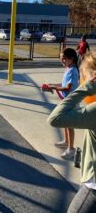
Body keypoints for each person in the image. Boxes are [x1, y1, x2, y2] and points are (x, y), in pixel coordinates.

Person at [47, 52, 96, 212]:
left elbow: (55, 119)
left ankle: (70, 146)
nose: (82, 81)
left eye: (84, 77)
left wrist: (85, 89)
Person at [46, 48, 79, 160]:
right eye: (61, 59)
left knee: (69, 125)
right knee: (65, 122)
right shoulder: (68, 69)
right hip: (66, 101)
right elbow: (63, 83)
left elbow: (67, 87)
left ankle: (71, 149)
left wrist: (55, 87)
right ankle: (66, 142)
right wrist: (52, 85)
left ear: (71, 59)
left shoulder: (73, 71)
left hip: (71, 102)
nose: (62, 61)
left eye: (64, 59)